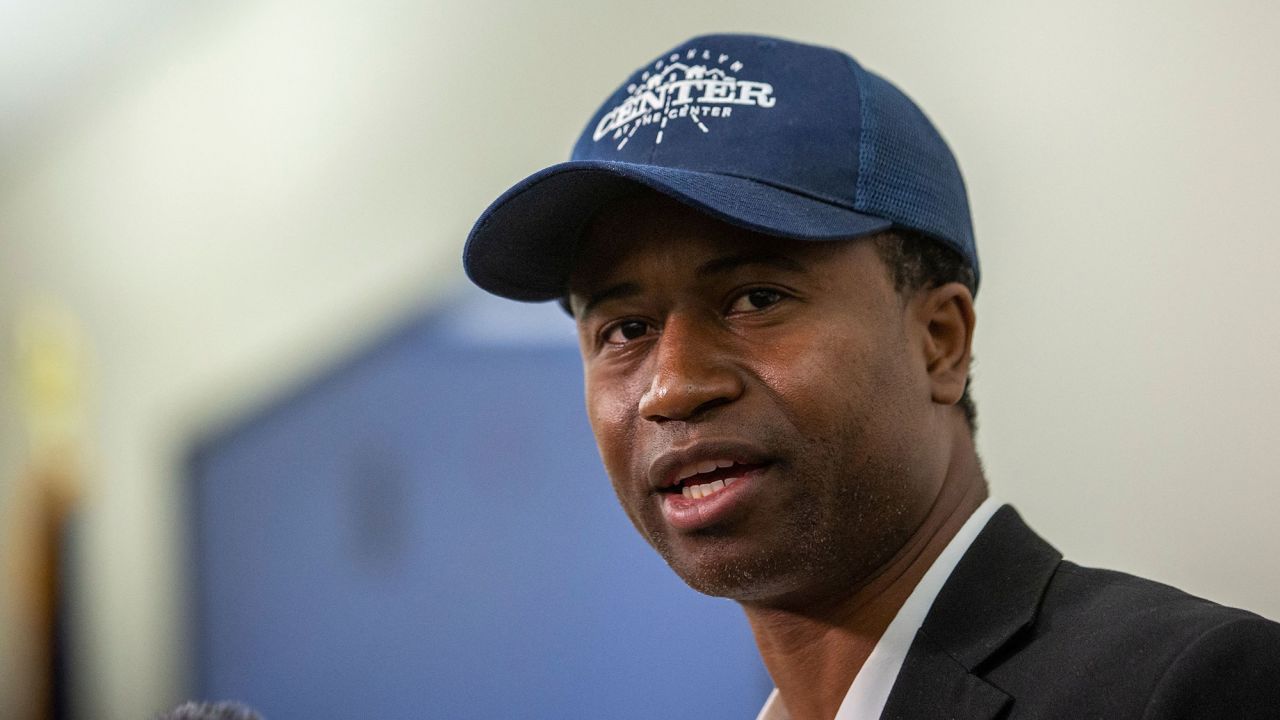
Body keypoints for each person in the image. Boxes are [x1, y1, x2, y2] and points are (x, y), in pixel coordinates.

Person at [462, 34, 1280, 719]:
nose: (672, 387)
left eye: (755, 298)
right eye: (626, 330)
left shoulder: (1184, 688)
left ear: (940, 340)